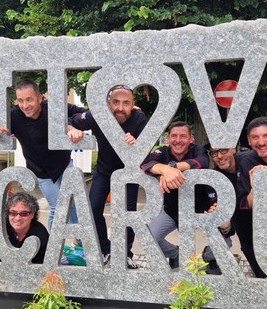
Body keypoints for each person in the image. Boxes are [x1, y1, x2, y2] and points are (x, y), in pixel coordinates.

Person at [0, 79, 85, 230]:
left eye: (29, 99)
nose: (25, 105)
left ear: (40, 98)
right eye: (20, 100)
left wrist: (68, 125)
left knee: (73, 204)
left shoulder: (53, 107)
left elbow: (83, 113)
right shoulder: (15, 115)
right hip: (41, 171)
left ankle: (80, 243)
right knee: (58, 208)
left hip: (64, 164)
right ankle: (54, 251)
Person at [67, 85, 147, 269]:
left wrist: (136, 144)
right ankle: (105, 250)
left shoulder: (139, 117)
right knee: (92, 209)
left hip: (129, 173)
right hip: (104, 172)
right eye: (116, 102)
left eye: (126, 103)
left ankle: (125, 253)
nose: (120, 107)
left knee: (128, 214)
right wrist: (71, 128)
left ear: (133, 104)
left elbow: (145, 150)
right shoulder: (98, 115)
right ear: (108, 103)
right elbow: (69, 120)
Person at [141, 121, 209, 269]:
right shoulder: (162, 151)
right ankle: (174, 253)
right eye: (174, 136)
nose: (178, 140)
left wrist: (172, 168)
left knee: (225, 242)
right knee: (149, 237)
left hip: (201, 210)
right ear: (168, 138)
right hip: (171, 210)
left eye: (183, 136)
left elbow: (202, 162)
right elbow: (146, 164)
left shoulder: (197, 149)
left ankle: (212, 265)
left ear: (191, 139)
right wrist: (164, 170)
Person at [237, 116, 267, 278]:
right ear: (249, 140)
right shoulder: (246, 161)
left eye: (266, 135)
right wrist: (257, 187)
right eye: (255, 137)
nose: (261, 142)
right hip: (264, 240)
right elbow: (245, 204)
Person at [202, 144, 246, 274]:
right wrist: (224, 224)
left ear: (233, 148)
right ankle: (213, 263)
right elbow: (223, 221)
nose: (219, 156)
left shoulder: (249, 162)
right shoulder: (214, 179)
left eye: (223, 150)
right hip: (234, 223)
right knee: (215, 249)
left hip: (259, 224)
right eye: (214, 153)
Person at [0, 192, 49, 263]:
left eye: (24, 214)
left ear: (33, 214)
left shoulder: (41, 234)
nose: (18, 218)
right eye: (13, 213)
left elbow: (44, 267)